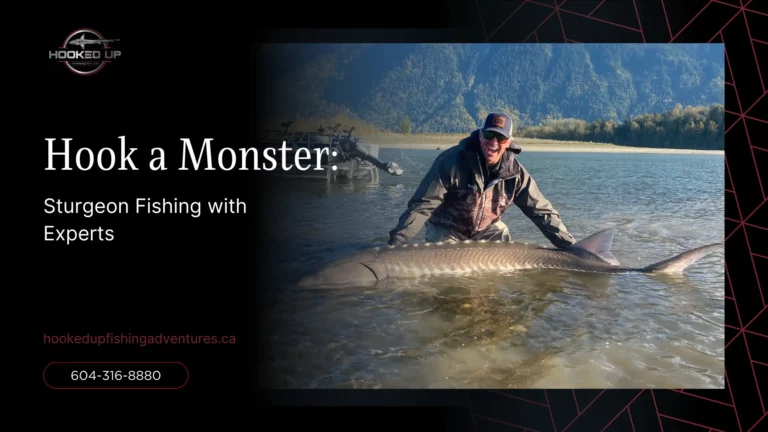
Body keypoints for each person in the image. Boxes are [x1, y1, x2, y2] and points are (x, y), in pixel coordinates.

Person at [387, 112, 576, 248]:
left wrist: (571, 247)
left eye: (500, 138)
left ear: (509, 142)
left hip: (487, 230)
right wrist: (396, 244)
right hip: (447, 229)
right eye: (489, 135)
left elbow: (543, 213)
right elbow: (421, 206)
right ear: (480, 135)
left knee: (500, 272)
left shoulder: (516, 174)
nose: (493, 143)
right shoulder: (450, 162)